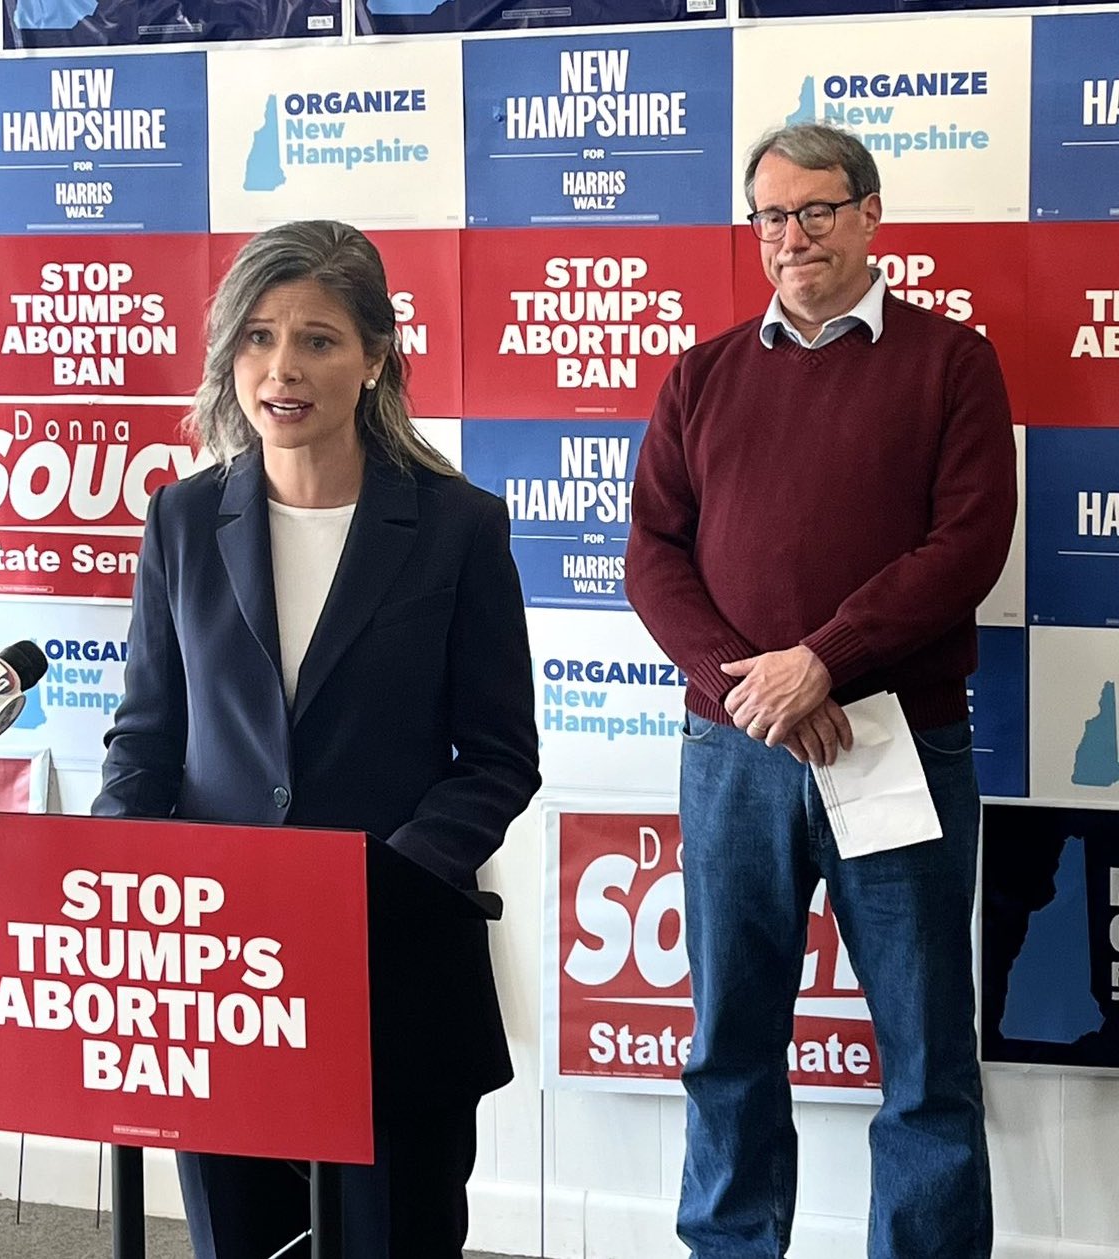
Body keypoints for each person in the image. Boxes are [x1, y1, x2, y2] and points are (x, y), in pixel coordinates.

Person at [92, 219, 541, 1258]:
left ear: (377, 357)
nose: (281, 368)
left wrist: (376, 885)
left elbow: (500, 757)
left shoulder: (459, 525)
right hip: (221, 978)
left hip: (396, 969)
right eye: (255, 338)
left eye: (318, 340)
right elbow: (146, 743)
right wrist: (121, 885)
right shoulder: (181, 521)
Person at [625, 123, 1016, 1259]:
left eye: (816, 211)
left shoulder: (952, 362)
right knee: (729, 1041)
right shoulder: (701, 374)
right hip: (734, 752)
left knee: (926, 1049)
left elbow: (967, 547)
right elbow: (654, 553)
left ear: (870, 215)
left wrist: (822, 662)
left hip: (892, 740)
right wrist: (755, 689)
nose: (790, 236)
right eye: (769, 216)